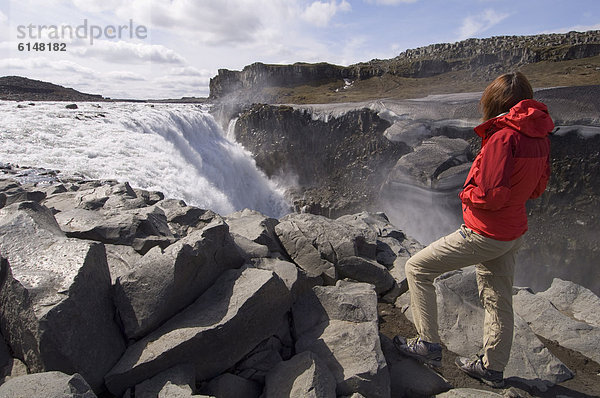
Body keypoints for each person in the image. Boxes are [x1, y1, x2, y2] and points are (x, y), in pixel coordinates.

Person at [393, 71, 554, 388]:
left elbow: (490, 195)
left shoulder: (504, 137)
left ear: (495, 101)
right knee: (498, 300)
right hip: (513, 232)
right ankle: (492, 369)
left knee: (417, 268)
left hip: (485, 232)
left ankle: (428, 344)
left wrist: (465, 194)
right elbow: (536, 189)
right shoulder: (539, 137)